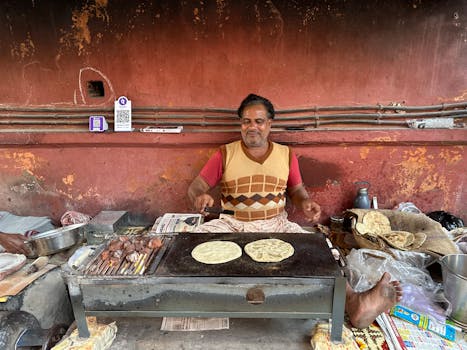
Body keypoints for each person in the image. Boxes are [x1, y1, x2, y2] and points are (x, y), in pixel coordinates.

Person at [187, 93, 402, 328]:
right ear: (240, 124)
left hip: (276, 224)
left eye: (259, 121)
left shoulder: (285, 154)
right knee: (189, 245)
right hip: (233, 223)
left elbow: (297, 191)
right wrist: (200, 196)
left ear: (270, 124)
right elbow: (196, 186)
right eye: (246, 121)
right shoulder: (225, 153)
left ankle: (354, 302)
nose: (252, 127)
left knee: (323, 252)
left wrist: (305, 203)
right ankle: (197, 300)